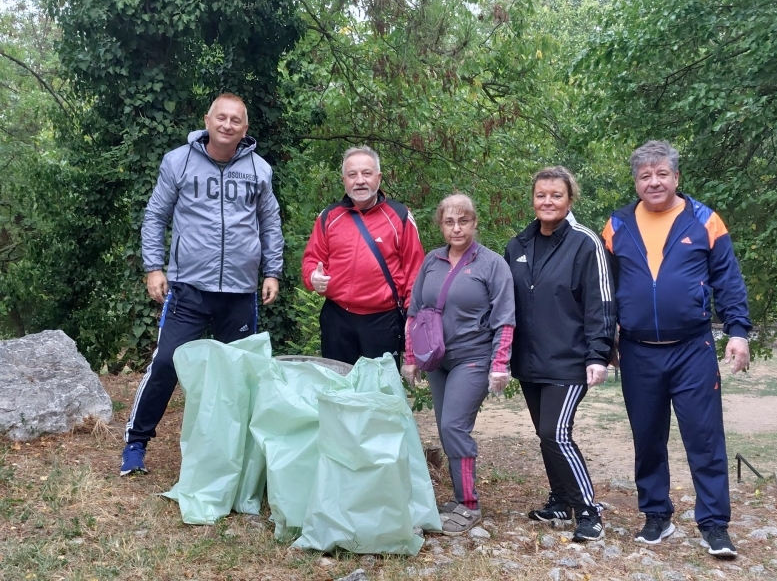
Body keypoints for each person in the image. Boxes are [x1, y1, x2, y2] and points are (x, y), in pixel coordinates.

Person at [120, 93, 284, 476]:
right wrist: (153, 267)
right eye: (221, 118)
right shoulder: (178, 161)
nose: (228, 125)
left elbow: (270, 223)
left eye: (236, 120)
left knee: (240, 375)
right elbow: (155, 215)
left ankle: (239, 453)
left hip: (241, 291)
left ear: (245, 128)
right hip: (189, 289)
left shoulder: (259, 169)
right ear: (207, 120)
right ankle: (135, 443)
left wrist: (272, 271)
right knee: (166, 363)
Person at [602, 140, 751, 558]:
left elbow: (728, 281)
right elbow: (604, 292)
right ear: (636, 181)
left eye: (661, 174)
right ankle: (656, 516)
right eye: (645, 175)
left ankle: (714, 525)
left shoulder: (705, 220)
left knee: (704, 439)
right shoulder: (616, 225)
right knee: (647, 437)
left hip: (692, 349)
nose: (654, 182)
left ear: (676, 177)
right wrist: (605, 339)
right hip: (636, 351)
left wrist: (737, 332)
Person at [504, 167, 615, 542]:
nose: (547, 202)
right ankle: (560, 500)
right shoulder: (517, 245)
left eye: (556, 195)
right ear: (532, 199)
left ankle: (588, 510)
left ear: (570, 199)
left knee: (556, 432)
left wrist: (598, 354)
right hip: (530, 360)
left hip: (571, 360)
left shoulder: (586, 243)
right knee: (544, 433)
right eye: (541, 195)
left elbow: (600, 303)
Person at [401, 194, 515, 536]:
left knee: (453, 426)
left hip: (474, 358)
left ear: (474, 223)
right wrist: (410, 357)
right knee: (445, 427)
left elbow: (505, 318)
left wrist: (500, 363)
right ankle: (458, 498)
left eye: (463, 221)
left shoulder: (492, 264)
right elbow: (415, 311)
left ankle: (469, 504)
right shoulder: (431, 261)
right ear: (441, 224)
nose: (456, 228)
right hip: (437, 359)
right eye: (449, 221)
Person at [301, 146, 425, 366]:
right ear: (344, 180)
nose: (359, 181)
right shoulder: (329, 217)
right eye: (352, 175)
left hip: (383, 320)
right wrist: (313, 278)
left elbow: (414, 271)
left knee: (380, 390)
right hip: (337, 317)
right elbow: (311, 260)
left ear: (378, 178)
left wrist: (412, 316)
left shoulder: (400, 216)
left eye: (366, 173)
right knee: (338, 386)